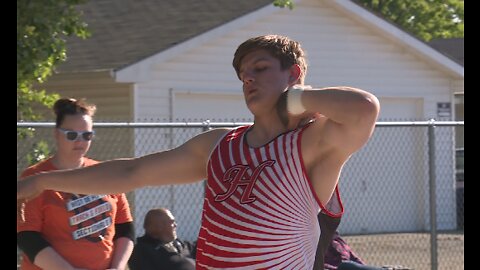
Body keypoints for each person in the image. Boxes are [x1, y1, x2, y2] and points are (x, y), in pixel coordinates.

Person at [18, 34, 380, 270]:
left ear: (294, 74)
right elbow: (132, 173)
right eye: (242, 75)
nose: (248, 79)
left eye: (260, 68)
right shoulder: (219, 145)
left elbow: (363, 108)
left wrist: (297, 98)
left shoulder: (311, 143)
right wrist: (45, 180)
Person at [17, 98, 135, 270]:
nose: (80, 141)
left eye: (87, 135)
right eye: (71, 135)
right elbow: (27, 237)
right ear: (57, 134)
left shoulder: (105, 173)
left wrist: (117, 267)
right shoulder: (34, 178)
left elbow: (125, 228)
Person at [128, 208, 196, 270]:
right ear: (158, 226)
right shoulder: (142, 250)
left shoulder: (181, 245)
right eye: (172, 222)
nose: (176, 225)